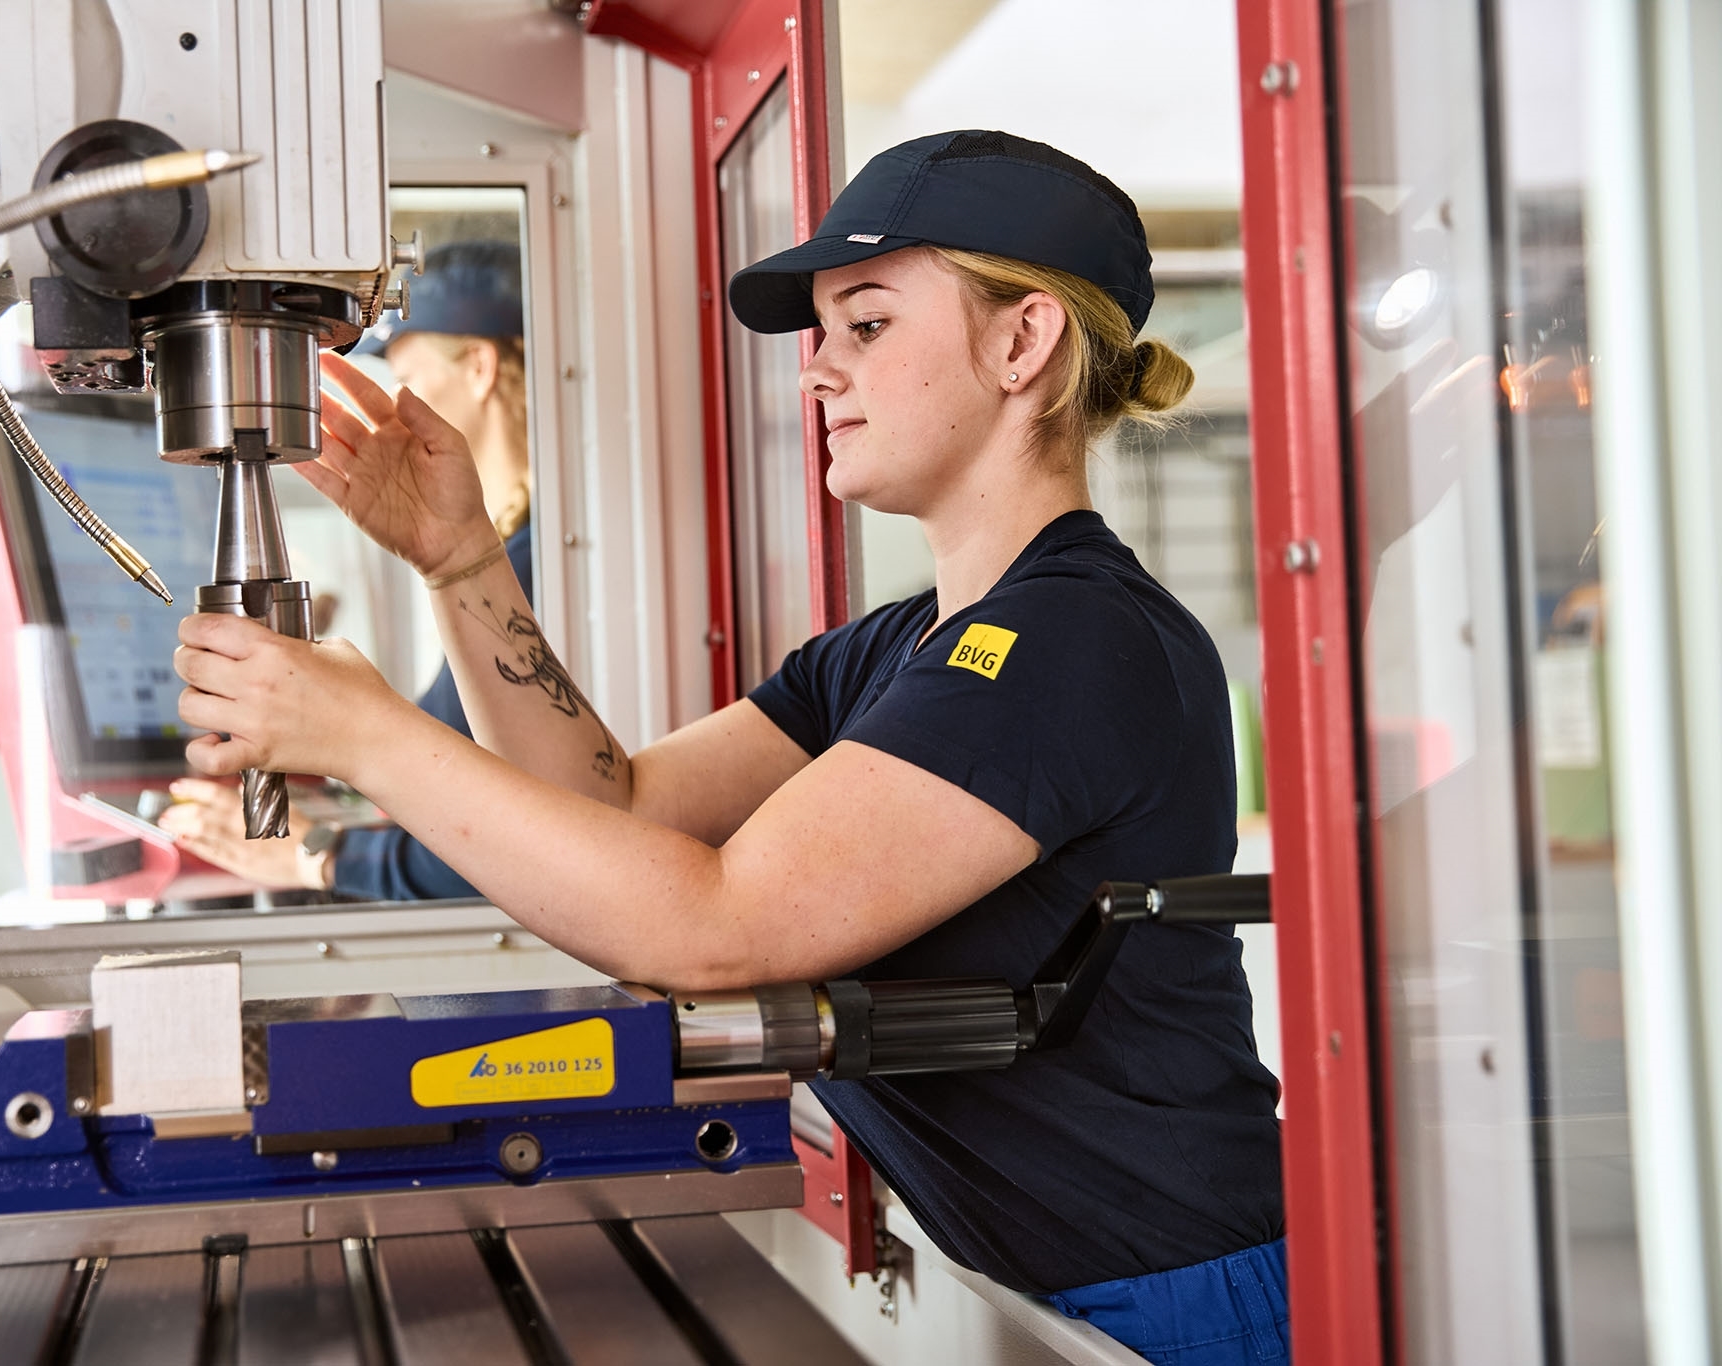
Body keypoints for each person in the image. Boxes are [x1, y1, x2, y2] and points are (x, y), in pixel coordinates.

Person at [173, 131, 1286, 1362]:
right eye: (821, 331)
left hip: (1177, 1299)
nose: (816, 371)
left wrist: (363, 735)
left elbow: (710, 926)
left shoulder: (1071, 640)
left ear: (1021, 343)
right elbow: (624, 808)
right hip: (1042, 1280)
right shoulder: (897, 647)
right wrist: (463, 562)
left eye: (864, 325)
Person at [160, 240, 535, 901]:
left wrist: (316, 857)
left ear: (477, 366)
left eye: (406, 371)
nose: (391, 398)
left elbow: (524, 844)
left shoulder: (538, 569)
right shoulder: (506, 555)